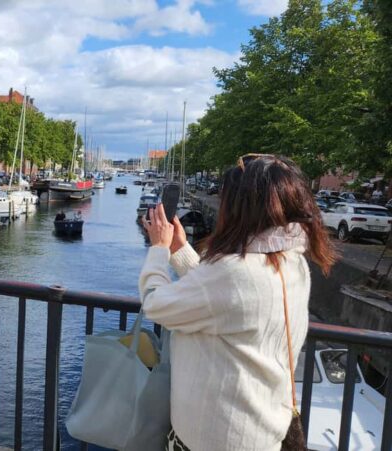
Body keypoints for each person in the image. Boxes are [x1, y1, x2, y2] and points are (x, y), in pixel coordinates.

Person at [140, 154, 335, 451]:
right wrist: (179, 248)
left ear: (241, 208)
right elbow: (229, 301)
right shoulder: (291, 262)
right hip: (261, 432)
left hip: (214, 437)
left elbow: (155, 303)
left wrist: (158, 250)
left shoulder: (233, 272)